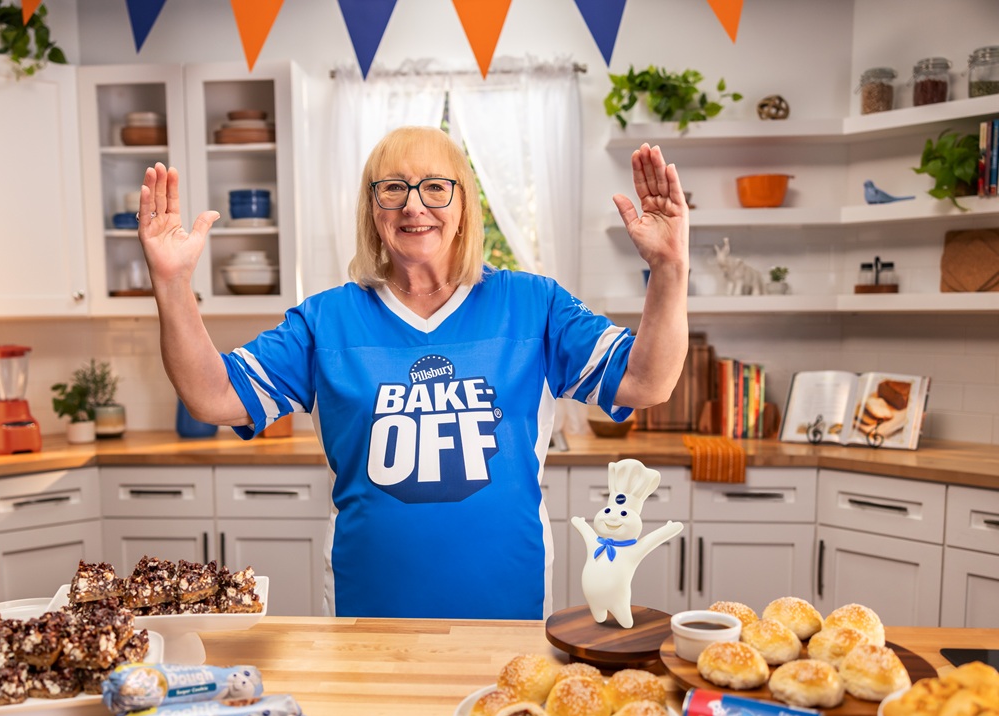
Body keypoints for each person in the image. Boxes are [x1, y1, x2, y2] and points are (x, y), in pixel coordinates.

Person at [136, 125, 688, 620]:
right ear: (373, 210)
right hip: (367, 607)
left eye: (434, 187)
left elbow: (646, 382)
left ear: (464, 204)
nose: (413, 206)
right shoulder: (327, 320)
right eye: (392, 188)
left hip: (506, 602)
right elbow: (213, 396)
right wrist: (172, 283)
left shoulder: (533, 304)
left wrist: (668, 269)